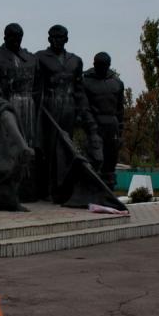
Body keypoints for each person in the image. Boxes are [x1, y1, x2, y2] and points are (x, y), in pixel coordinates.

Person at [35, 26, 126, 211]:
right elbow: (35, 84)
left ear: (67, 39)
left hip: (69, 108)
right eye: (54, 37)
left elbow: (79, 90)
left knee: (66, 150)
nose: (57, 40)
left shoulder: (75, 61)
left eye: (61, 37)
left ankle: (62, 189)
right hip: (49, 106)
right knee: (47, 149)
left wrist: (80, 112)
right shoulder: (40, 57)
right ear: (49, 38)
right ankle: (44, 189)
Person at [0, 23, 37, 211]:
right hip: (6, 106)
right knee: (6, 151)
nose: (15, 40)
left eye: (18, 36)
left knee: (24, 149)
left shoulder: (29, 57)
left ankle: (21, 192)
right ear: (5, 36)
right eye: (11, 36)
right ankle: (2, 195)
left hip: (27, 107)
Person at [83, 52, 125, 191]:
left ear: (109, 65)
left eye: (104, 65)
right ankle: (92, 189)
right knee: (95, 158)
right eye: (98, 65)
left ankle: (109, 190)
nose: (101, 68)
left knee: (111, 159)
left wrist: (120, 131)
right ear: (94, 64)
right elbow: (85, 107)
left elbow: (120, 108)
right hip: (95, 124)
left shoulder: (117, 83)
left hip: (112, 124)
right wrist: (91, 127)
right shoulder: (86, 81)